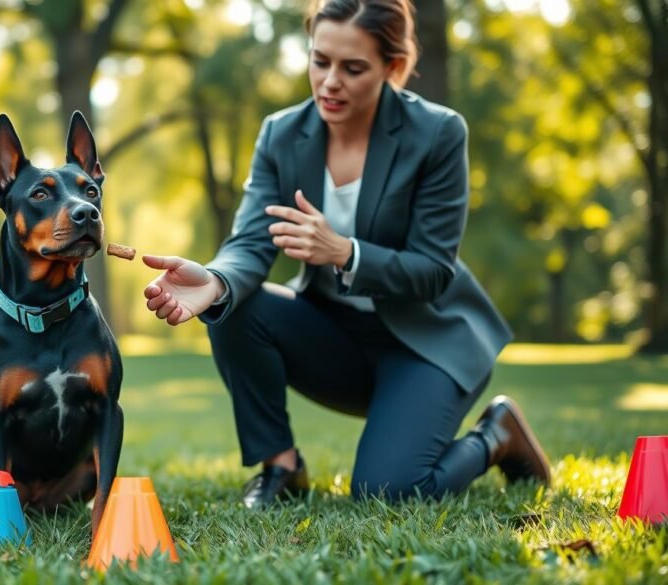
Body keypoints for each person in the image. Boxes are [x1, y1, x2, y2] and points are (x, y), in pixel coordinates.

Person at [141, 0, 550, 507]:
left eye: (353, 68)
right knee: (232, 306)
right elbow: (249, 240)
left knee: (389, 491)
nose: (330, 81)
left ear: (392, 68)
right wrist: (215, 281)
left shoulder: (439, 133)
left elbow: (434, 270)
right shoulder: (281, 133)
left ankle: (498, 434)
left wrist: (345, 252)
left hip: (425, 344)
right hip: (334, 336)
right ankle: (282, 466)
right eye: (320, 61)